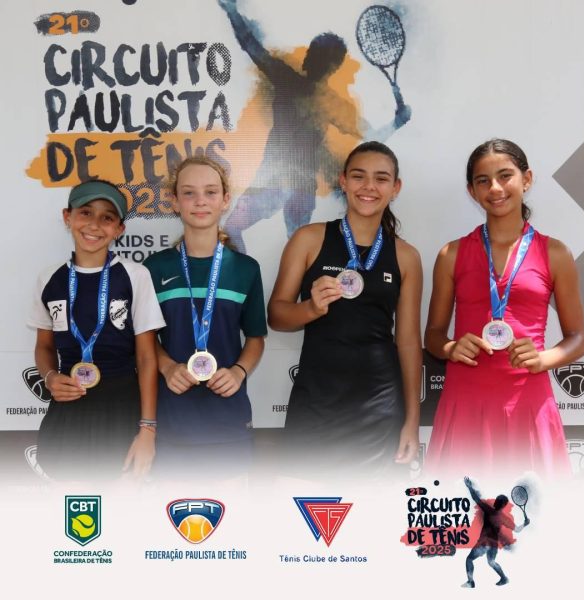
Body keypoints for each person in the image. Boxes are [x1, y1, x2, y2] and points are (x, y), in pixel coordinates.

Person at [425, 139, 584, 479]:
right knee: (464, 509)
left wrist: (543, 359)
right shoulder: (451, 254)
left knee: (531, 509)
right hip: (465, 403)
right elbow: (433, 336)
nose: (495, 188)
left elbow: (578, 339)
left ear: (526, 179)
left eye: (505, 176)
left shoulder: (555, 253)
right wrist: (451, 348)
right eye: (483, 180)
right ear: (472, 191)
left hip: (528, 402)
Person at [268, 141, 422, 479]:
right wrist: (311, 308)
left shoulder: (406, 256)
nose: (369, 187)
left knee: (370, 508)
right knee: (306, 506)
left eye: (381, 178)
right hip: (315, 401)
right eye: (358, 176)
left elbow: (409, 342)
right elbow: (277, 316)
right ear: (343, 181)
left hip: (379, 407)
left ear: (395, 188)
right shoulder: (309, 239)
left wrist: (412, 420)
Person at [218, 0, 410, 252]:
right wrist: (397, 122)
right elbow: (372, 135)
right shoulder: (329, 102)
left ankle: (255, 276)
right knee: (296, 249)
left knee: (240, 231)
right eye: (313, 53)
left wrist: (232, 11)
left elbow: (250, 45)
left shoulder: (291, 80)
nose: (310, 57)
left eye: (316, 54)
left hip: (280, 184)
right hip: (295, 187)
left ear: (326, 65)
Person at [27, 180, 165, 481]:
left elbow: (146, 358)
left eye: (107, 217)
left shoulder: (135, 275)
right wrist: (50, 378)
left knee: (119, 496)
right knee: (69, 497)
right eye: (85, 212)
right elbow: (44, 346)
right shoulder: (49, 278)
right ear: (68, 217)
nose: (94, 225)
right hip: (68, 407)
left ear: (119, 229)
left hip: (121, 407)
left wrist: (147, 429)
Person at [143, 157, 267, 480]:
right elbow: (144, 339)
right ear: (174, 201)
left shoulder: (246, 269)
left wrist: (239, 372)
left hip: (230, 422)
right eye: (189, 193)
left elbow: (256, 338)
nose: (200, 201)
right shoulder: (154, 268)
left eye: (210, 192)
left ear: (225, 200)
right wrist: (167, 367)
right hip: (173, 421)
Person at [462, 476, 530, 588]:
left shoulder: (489, 510)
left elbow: (475, 498)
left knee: (469, 559)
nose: (496, 501)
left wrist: (469, 487)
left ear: (499, 504)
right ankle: (504, 578)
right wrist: (524, 524)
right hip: (493, 545)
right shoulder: (504, 518)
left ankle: (470, 582)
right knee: (491, 562)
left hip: (484, 543)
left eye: (497, 500)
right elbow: (517, 530)